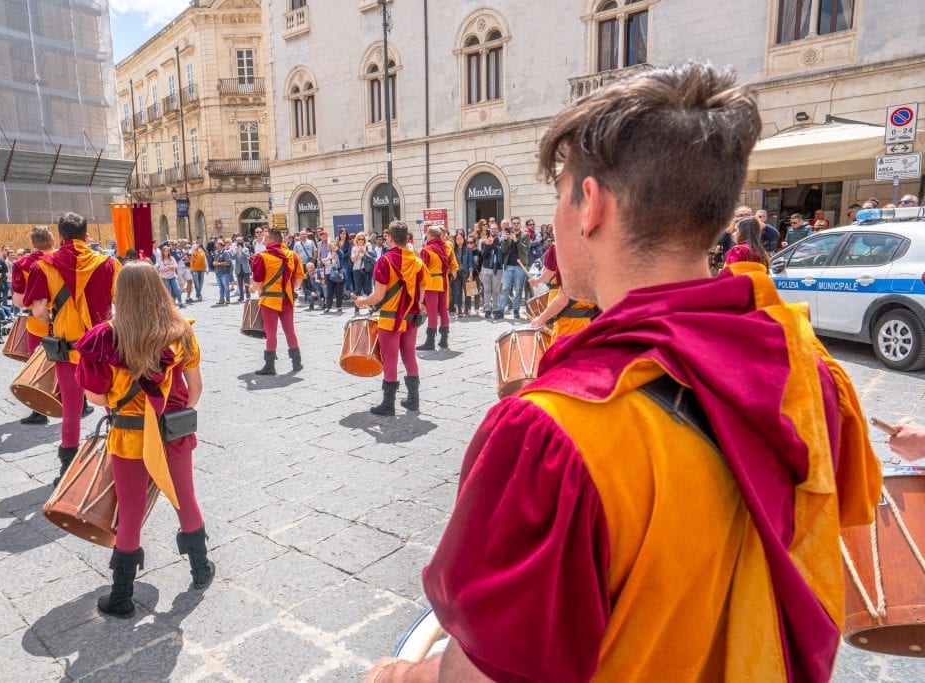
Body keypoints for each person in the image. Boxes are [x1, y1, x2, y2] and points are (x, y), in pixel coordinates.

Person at [367, 63, 882, 683]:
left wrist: (395, 676)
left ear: (590, 205)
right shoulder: (816, 373)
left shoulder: (553, 433)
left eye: (559, 194)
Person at [75, 261, 213, 618]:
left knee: (131, 510)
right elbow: (195, 389)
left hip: (129, 436)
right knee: (186, 499)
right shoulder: (181, 332)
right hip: (173, 434)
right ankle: (200, 570)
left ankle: (121, 595)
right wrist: (174, 416)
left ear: (121, 293)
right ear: (158, 288)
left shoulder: (105, 337)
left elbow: (94, 397)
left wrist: (124, 404)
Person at [26, 212, 120, 486]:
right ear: (86, 235)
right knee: (113, 402)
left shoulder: (43, 266)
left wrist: (58, 315)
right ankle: (120, 461)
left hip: (68, 350)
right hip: (104, 346)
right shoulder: (109, 263)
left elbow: (40, 312)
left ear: (60, 236)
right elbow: (122, 304)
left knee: (71, 408)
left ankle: (67, 470)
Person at [355, 221, 427, 416]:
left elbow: (378, 296)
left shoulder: (385, 261)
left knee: (390, 359)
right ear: (407, 238)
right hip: (411, 318)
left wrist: (363, 302)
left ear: (390, 238)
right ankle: (413, 400)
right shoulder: (418, 262)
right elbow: (422, 293)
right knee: (409, 356)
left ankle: (388, 404)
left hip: (389, 319)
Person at [12, 226, 57, 425]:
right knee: (73, 360)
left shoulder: (23, 263)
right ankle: (80, 403)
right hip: (66, 319)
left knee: (37, 364)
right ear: (53, 241)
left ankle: (40, 411)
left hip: (38, 322)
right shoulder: (65, 259)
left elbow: (19, 301)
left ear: (32, 244)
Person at [250, 228, 305, 376]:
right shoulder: (293, 256)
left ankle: (270, 366)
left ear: (272, 240)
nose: (262, 240)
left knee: (271, 332)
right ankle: (297, 362)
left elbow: (257, 282)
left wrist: (252, 289)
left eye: (265, 238)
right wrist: (287, 290)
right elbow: (299, 280)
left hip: (269, 301)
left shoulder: (261, 257)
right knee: (290, 331)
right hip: (287, 299)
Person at [529, 243, 600, 338]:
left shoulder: (568, 256)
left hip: (570, 325)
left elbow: (562, 300)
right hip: (594, 323)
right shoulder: (601, 253)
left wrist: (541, 319)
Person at [417, 226, 459, 350]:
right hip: (443, 282)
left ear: (430, 236)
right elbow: (453, 266)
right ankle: (444, 340)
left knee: (432, 312)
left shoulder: (427, 250)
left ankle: (430, 342)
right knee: (443, 310)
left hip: (431, 283)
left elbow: (422, 270)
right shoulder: (447, 247)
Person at [497, 217, 530, 319]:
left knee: (518, 289)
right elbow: (503, 250)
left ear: (520, 224)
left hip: (520, 266)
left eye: (517, 223)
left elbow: (526, 249)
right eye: (514, 223)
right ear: (511, 224)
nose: (516, 225)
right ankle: (501, 310)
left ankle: (516, 310)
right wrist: (506, 239)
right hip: (508, 266)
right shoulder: (507, 235)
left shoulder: (525, 235)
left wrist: (516, 241)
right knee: (505, 288)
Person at [478, 225, 503, 319]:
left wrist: (493, 244)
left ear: (498, 230)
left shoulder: (501, 241)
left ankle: (496, 309)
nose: (493, 230)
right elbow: (483, 256)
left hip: (498, 268)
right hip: (486, 268)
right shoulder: (484, 241)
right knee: (487, 290)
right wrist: (488, 245)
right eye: (491, 228)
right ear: (489, 230)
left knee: (496, 291)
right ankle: (487, 309)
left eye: (495, 229)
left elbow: (502, 252)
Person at [452, 232, 474, 318]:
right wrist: (453, 272)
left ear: (463, 239)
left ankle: (466, 309)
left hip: (466, 272)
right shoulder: (453, 250)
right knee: (458, 292)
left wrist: (471, 275)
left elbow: (470, 262)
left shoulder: (468, 249)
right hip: (457, 273)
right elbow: (452, 262)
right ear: (455, 240)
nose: (459, 240)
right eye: (457, 239)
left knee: (467, 291)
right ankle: (459, 309)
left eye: (461, 238)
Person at [322, 241, 345, 313]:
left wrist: (336, 250)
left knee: (339, 291)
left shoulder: (340, 253)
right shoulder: (327, 254)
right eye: (332, 246)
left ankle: (339, 306)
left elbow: (342, 256)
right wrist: (330, 257)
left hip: (338, 274)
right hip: (328, 274)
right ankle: (328, 307)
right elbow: (322, 261)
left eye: (335, 245)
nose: (333, 247)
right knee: (329, 291)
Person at [351, 232, 374, 298]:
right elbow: (353, 260)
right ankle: (357, 306)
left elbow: (371, 257)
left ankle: (370, 306)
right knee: (357, 289)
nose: (361, 240)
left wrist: (364, 252)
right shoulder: (354, 248)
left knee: (368, 289)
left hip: (367, 269)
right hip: (357, 270)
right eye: (359, 239)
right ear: (356, 240)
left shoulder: (368, 246)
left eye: (362, 239)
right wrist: (358, 252)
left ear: (364, 239)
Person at [211, 240, 233, 305]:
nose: (215, 245)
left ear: (220, 245)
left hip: (224, 272)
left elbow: (228, 262)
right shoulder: (216, 252)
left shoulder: (225, 252)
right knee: (220, 287)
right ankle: (221, 299)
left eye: (217, 244)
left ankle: (228, 299)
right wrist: (214, 263)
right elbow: (215, 261)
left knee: (226, 286)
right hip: (218, 272)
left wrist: (218, 263)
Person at [234, 239, 253, 303]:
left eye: (239, 246)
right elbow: (232, 258)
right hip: (238, 269)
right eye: (237, 246)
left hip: (246, 269)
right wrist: (236, 252)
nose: (238, 247)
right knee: (240, 284)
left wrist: (241, 251)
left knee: (247, 283)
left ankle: (248, 296)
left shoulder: (246, 249)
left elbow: (248, 256)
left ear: (242, 246)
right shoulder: (236, 251)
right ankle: (241, 296)